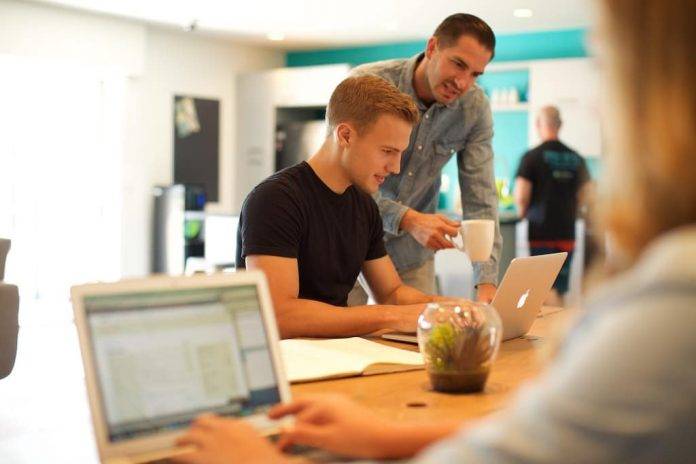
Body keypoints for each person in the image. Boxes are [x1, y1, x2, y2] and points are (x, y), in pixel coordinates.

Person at [173, 0, 696, 461]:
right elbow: (290, 313)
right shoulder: (294, 184)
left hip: (371, 292)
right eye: (388, 153)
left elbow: (472, 202)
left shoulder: (368, 194)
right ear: (432, 49)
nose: (397, 168)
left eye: (478, 74)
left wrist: (464, 298)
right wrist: (404, 302)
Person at [235, 75, 454, 339]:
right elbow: (280, 315)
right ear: (346, 135)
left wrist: (447, 307)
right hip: (286, 364)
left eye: (399, 153)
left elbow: (391, 293)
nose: (395, 168)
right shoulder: (274, 200)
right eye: (387, 151)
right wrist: (391, 316)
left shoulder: (364, 206)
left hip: (338, 355)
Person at [348, 13, 502, 305]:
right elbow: (343, 179)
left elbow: (480, 198)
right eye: (458, 64)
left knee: (419, 344)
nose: (462, 82)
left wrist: (486, 284)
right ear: (432, 48)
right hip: (349, 247)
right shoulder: (368, 86)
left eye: (475, 74)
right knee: (341, 345)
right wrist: (407, 219)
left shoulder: (474, 109)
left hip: (410, 257)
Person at [514, 106, 593, 305]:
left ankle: (549, 335)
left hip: (541, 233)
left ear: (539, 125)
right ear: (560, 125)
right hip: (566, 231)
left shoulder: (531, 157)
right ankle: (559, 332)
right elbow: (589, 194)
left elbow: (522, 195)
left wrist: (522, 212)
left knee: (543, 289)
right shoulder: (577, 158)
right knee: (560, 287)